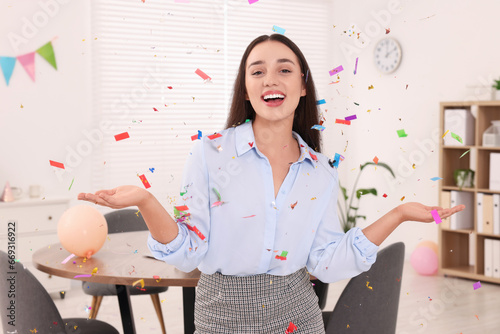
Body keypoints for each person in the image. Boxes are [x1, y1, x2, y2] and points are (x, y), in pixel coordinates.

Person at [78, 34, 464, 333]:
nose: (270, 79)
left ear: (301, 86)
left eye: (284, 69)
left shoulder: (321, 171)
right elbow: (189, 250)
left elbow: (326, 262)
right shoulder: (209, 154)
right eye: (257, 71)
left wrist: (397, 214)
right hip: (221, 316)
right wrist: (145, 201)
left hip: (297, 314)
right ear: (246, 90)